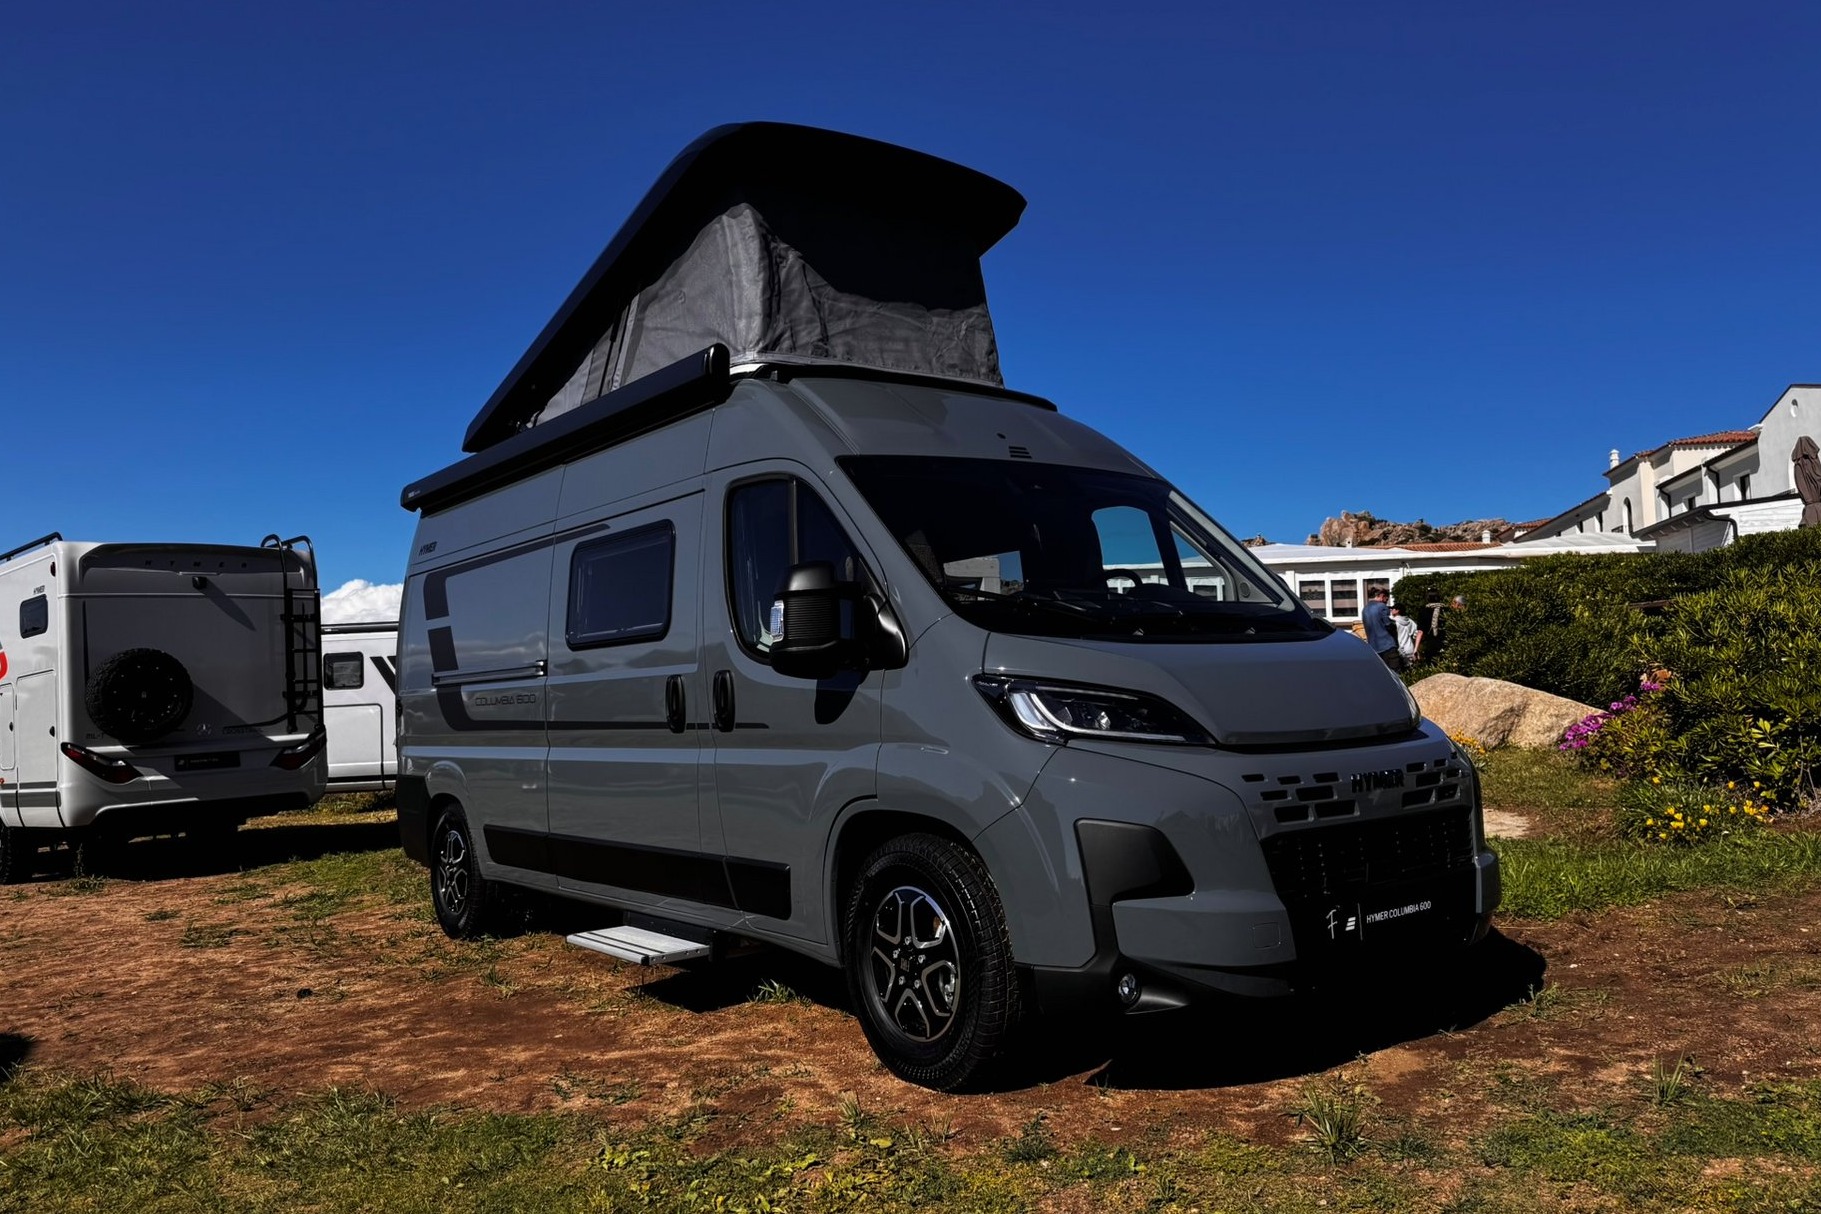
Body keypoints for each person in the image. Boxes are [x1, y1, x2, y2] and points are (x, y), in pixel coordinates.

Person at [1362, 586, 1402, 670]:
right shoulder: (1382, 607)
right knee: (1395, 672)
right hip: (1387, 645)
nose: (1386, 603)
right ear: (1382, 596)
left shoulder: (1364, 610)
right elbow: (1388, 625)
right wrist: (1394, 625)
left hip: (1374, 648)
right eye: (1386, 600)